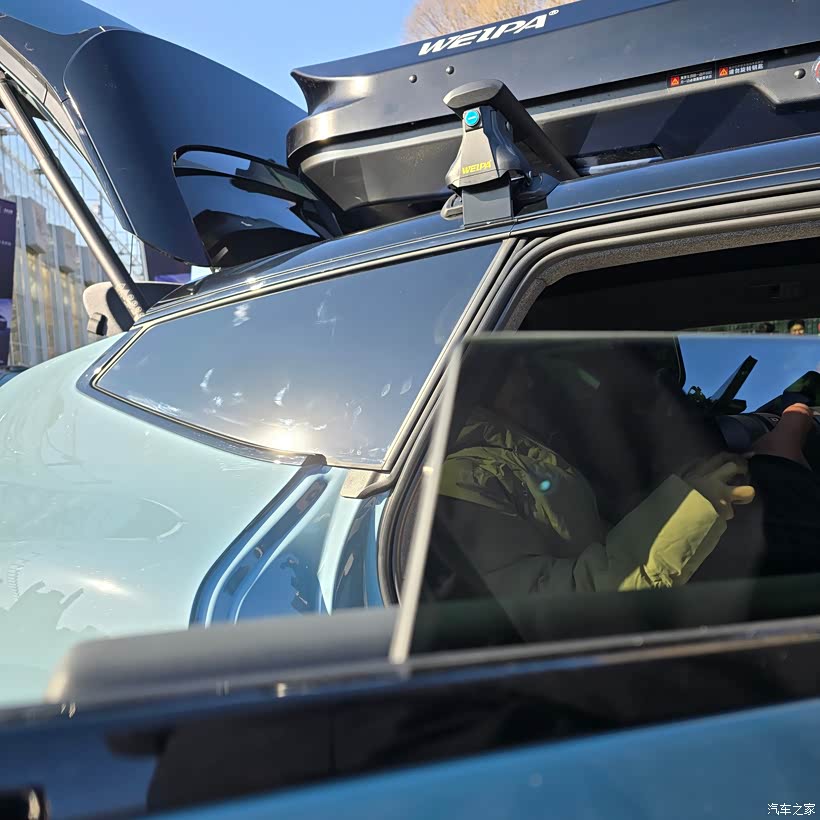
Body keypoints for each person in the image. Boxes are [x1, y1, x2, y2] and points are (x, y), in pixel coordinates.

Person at [436, 351, 757, 600]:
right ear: (478, 383)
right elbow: (558, 609)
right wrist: (693, 508)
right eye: (511, 369)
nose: (528, 380)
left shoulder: (526, 452)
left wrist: (682, 488)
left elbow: (595, 531)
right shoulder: (464, 478)